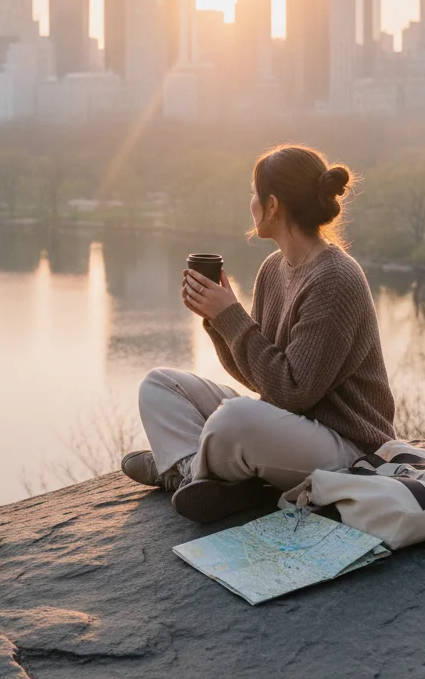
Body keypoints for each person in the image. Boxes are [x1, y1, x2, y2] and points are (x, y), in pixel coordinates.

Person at [121, 144, 396, 523]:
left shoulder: (334, 279)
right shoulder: (273, 269)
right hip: (289, 427)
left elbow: (293, 392)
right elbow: (259, 374)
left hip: (348, 448)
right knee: (159, 385)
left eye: (254, 193)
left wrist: (231, 317)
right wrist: (217, 319)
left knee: (235, 420)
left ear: (272, 205)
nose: (249, 203)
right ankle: (198, 473)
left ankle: (183, 469)